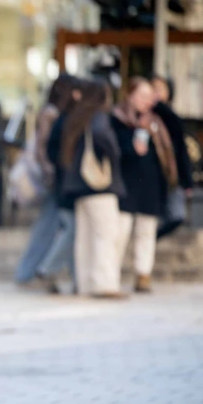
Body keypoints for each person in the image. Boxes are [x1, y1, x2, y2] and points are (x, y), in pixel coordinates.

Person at [48, 80, 127, 298]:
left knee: (85, 239)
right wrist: (113, 154)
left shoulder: (76, 116)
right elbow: (103, 136)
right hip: (99, 185)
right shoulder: (98, 116)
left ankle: (86, 284)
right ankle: (105, 285)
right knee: (105, 235)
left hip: (79, 187)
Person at [111, 77, 178, 293]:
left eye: (150, 97)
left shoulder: (157, 121)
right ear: (129, 95)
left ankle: (143, 275)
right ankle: (111, 275)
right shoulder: (117, 119)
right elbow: (113, 149)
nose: (146, 101)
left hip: (150, 184)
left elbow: (174, 137)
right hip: (125, 183)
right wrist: (132, 146)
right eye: (142, 96)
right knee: (120, 232)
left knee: (146, 231)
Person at [14, 74, 80, 291]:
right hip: (52, 179)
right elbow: (42, 147)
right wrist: (50, 173)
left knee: (56, 228)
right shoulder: (51, 113)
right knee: (49, 228)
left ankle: (42, 273)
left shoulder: (55, 112)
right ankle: (29, 273)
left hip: (55, 178)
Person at [150, 76, 194, 238]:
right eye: (153, 89)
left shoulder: (170, 117)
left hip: (171, 174)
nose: (156, 93)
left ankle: (155, 237)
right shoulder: (143, 116)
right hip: (154, 175)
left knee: (176, 215)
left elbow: (181, 150)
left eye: (160, 89)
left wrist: (187, 180)